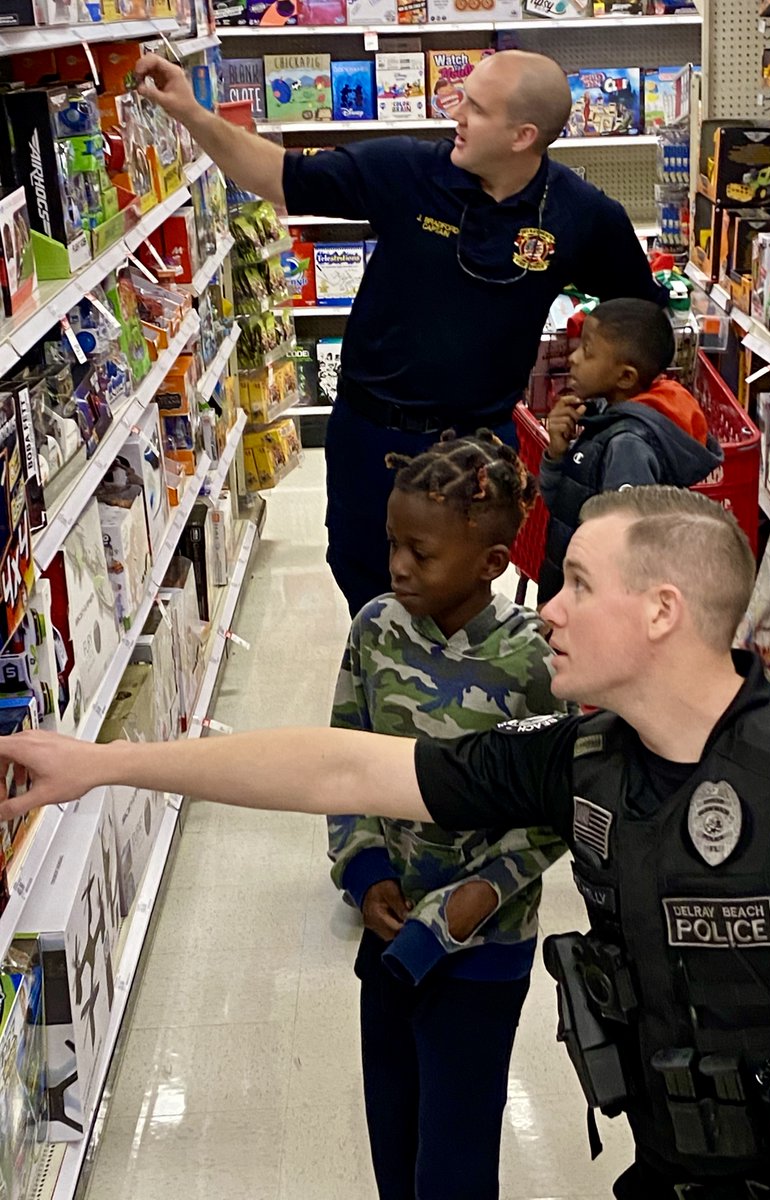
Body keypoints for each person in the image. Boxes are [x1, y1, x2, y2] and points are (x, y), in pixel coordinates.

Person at [5, 487, 770, 1200]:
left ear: (661, 611)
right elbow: (343, 771)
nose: (548, 613)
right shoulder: (585, 757)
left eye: (577, 584)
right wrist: (107, 763)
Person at [135, 49, 667, 616]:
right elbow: (279, 176)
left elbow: (643, 316)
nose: (455, 115)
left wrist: (590, 390)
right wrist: (192, 112)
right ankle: (382, 688)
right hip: (372, 435)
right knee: (365, 581)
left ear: (523, 135)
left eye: (477, 109)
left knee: (461, 598)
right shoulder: (406, 171)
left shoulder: (579, 214)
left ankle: (452, 698)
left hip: (479, 450)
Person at [328, 430, 568, 1199]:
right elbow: (344, 755)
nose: (398, 565)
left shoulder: (537, 660)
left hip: (485, 950)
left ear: (492, 563)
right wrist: (364, 872)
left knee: (456, 1158)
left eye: (421, 554)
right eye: (394, 543)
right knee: (393, 1135)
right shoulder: (375, 629)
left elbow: (562, 800)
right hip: (391, 931)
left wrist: (485, 894)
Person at [537, 297, 722, 603]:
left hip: (592, 605)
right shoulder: (603, 417)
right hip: (571, 591)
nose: (573, 358)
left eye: (588, 351)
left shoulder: (628, 446)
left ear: (625, 377)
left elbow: (622, 548)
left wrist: (574, 603)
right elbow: (564, 503)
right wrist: (557, 454)